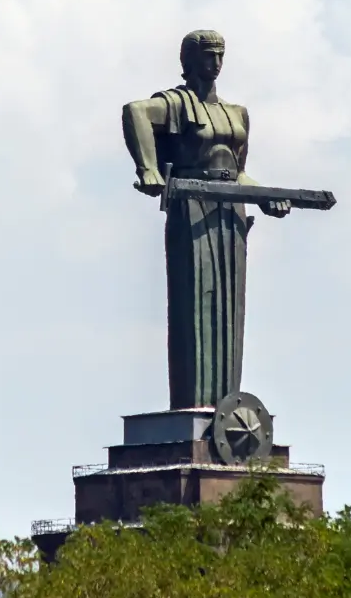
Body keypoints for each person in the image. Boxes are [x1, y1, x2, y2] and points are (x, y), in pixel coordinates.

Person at [122, 30, 290, 410]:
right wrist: (149, 169)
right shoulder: (176, 103)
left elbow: (239, 174)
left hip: (231, 215)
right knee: (195, 306)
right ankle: (193, 407)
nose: (215, 63)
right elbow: (135, 111)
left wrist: (266, 197)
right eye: (207, 56)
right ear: (189, 61)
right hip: (192, 209)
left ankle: (224, 407)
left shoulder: (236, 114)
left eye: (220, 56)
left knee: (230, 308)